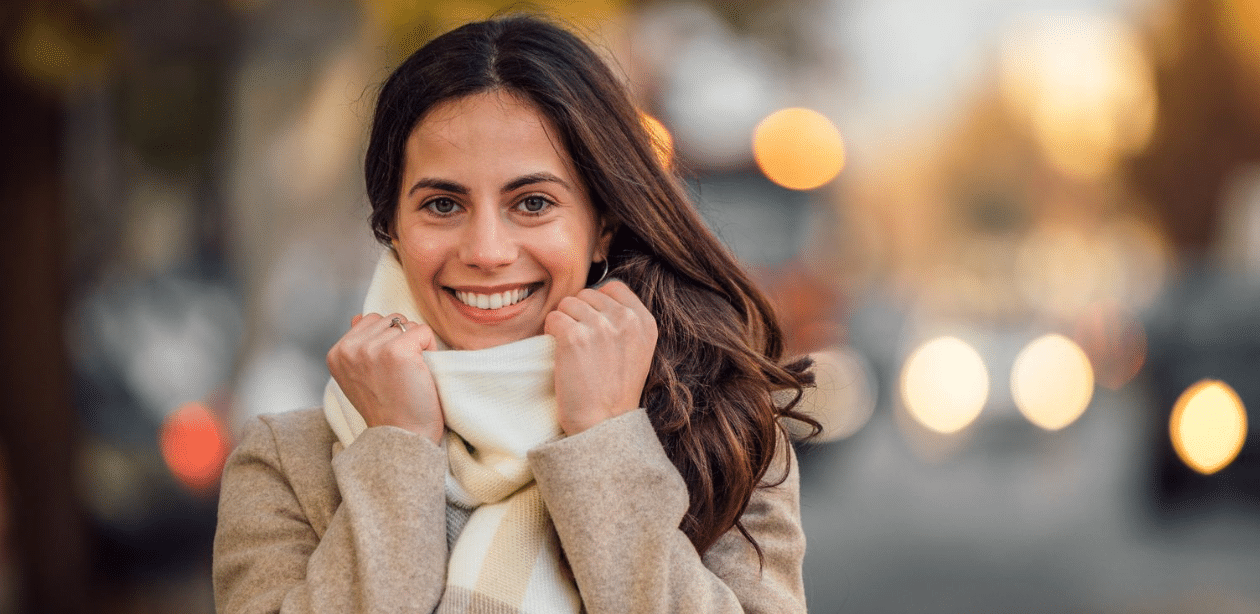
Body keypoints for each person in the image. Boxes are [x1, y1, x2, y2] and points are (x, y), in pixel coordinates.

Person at [213, 14, 817, 614]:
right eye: (443, 204)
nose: (486, 252)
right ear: (391, 227)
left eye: (532, 202)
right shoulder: (286, 465)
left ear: (603, 224)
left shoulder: (726, 440)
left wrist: (606, 441)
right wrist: (396, 451)